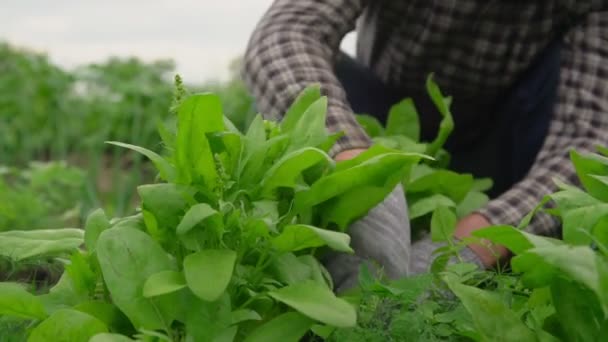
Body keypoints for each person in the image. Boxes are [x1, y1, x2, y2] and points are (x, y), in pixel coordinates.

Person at [243, 0, 608, 291]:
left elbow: (591, 133)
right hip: (382, 121)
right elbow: (284, 34)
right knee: (303, 79)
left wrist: (481, 239)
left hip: (505, 140)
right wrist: (356, 165)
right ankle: (324, 246)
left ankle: (511, 249)